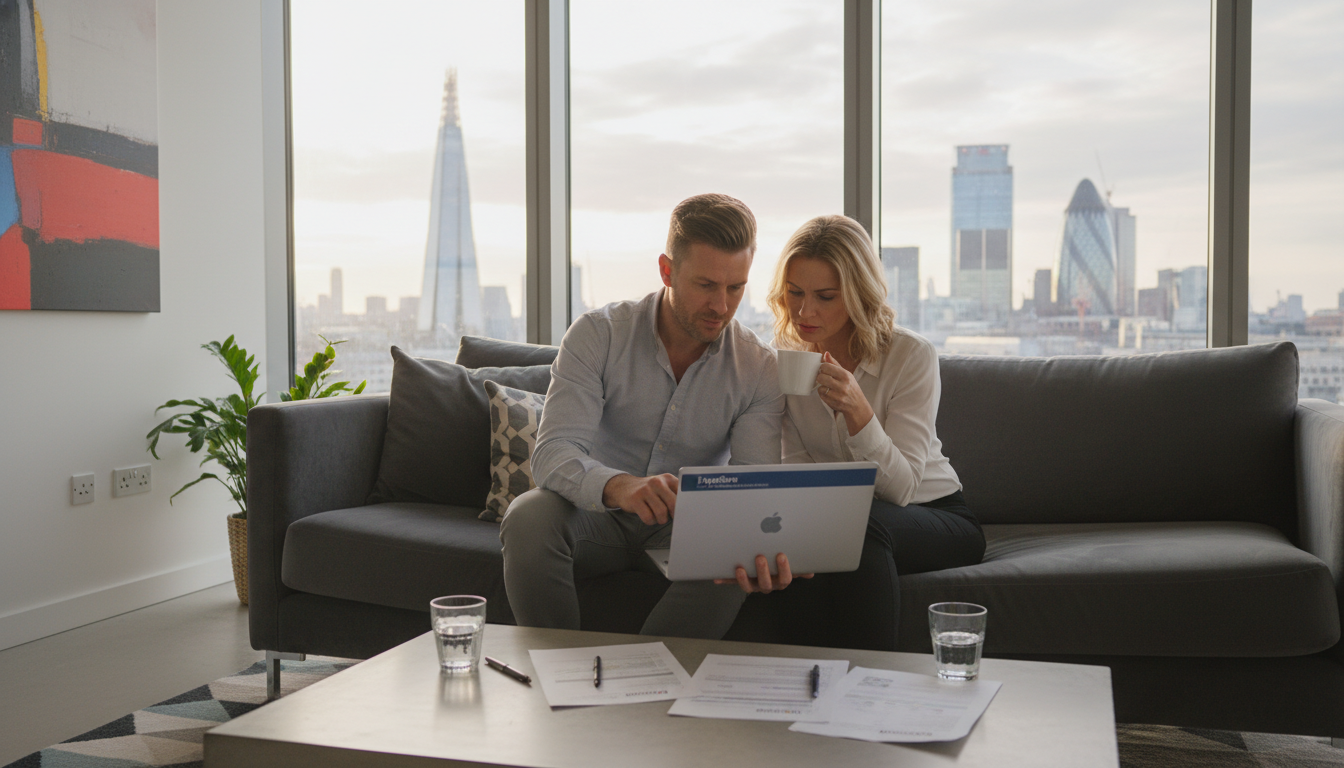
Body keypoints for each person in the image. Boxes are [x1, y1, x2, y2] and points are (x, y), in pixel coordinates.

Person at [500, 193, 801, 640]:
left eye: (735, 287)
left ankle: (652, 686)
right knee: (528, 516)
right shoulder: (597, 335)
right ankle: (554, 679)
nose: (721, 305)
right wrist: (621, 487)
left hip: (687, 529)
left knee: (733, 551)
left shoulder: (759, 368)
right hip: (594, 515)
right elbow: (553, 455)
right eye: (705, 285)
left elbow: (750, 489)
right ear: (667, 271)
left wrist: (759, 542)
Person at [763, 214, 985, 643]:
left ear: (858, 294)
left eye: (825, 297)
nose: (804, 312)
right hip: (838, 513)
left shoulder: (909, 356)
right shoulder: (785, 359)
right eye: (794, 293)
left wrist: (859, 413)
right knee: (803, 538)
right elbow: (793, 466)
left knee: (857, 525)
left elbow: (902, 489)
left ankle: (872, 686)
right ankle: (798, 684)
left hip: (933, 513)